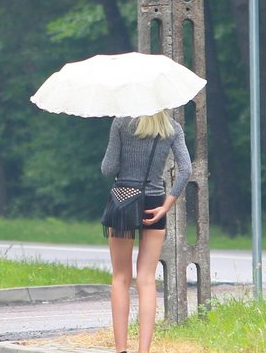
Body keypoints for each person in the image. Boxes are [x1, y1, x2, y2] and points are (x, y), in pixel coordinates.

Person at [100, 110, 192, 353]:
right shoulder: (172, 127)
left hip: (123, 202)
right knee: (147, 279)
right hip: (154, 202)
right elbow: (186, 170)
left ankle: (121, 350)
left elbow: (108, 168)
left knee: (120, 277)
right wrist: (167, 206)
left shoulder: (121, 122)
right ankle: (144, 350)